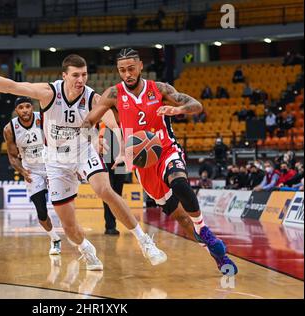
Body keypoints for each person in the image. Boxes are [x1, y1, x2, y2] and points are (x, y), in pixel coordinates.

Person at [0, 55, 166, 271]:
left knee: (105, 190)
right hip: (55, 160)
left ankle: (143, 240)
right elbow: (12, 86)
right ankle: (85, 248)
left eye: (84, 74)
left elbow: (111, 119)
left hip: (83, 152)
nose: (81, 80)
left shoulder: (91, 97)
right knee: (69, 226)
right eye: (76, 75)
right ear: (64, 76)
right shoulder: (49, 92)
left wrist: (121, 142)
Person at [81, 48, 237, 275]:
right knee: (183, 220)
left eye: (131, 68)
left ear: (141, 66)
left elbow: (196, 105)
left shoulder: (160, 88)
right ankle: (217, 255)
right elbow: (89, 121)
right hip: (143, 164)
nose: (127, 74)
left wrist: (178, 108)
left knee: (180, 183)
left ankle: (203, 229)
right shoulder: (113, 94)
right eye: (122, 70)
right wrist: (95, 140)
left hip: (165, 148)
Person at [3, 96, 62, 254]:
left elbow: (59, 141)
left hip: (51, 166)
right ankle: (55, 239)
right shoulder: (10, 129)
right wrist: (23, 172)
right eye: (21, 107)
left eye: (27, 106)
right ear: (16, 110)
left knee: (62, 206)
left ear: (32, 107)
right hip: (32, 170)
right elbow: (12, 156)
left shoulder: (43, 118)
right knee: (41, 212)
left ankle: (76, 237)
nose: (25, 110)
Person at [99, 125, 126, 236]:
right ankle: (110, 226)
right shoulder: (105, 127)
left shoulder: (123, 127)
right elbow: (100, 142)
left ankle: (113, 224)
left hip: (120, 164)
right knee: (109, 193)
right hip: (107, 162)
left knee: (118, 193)